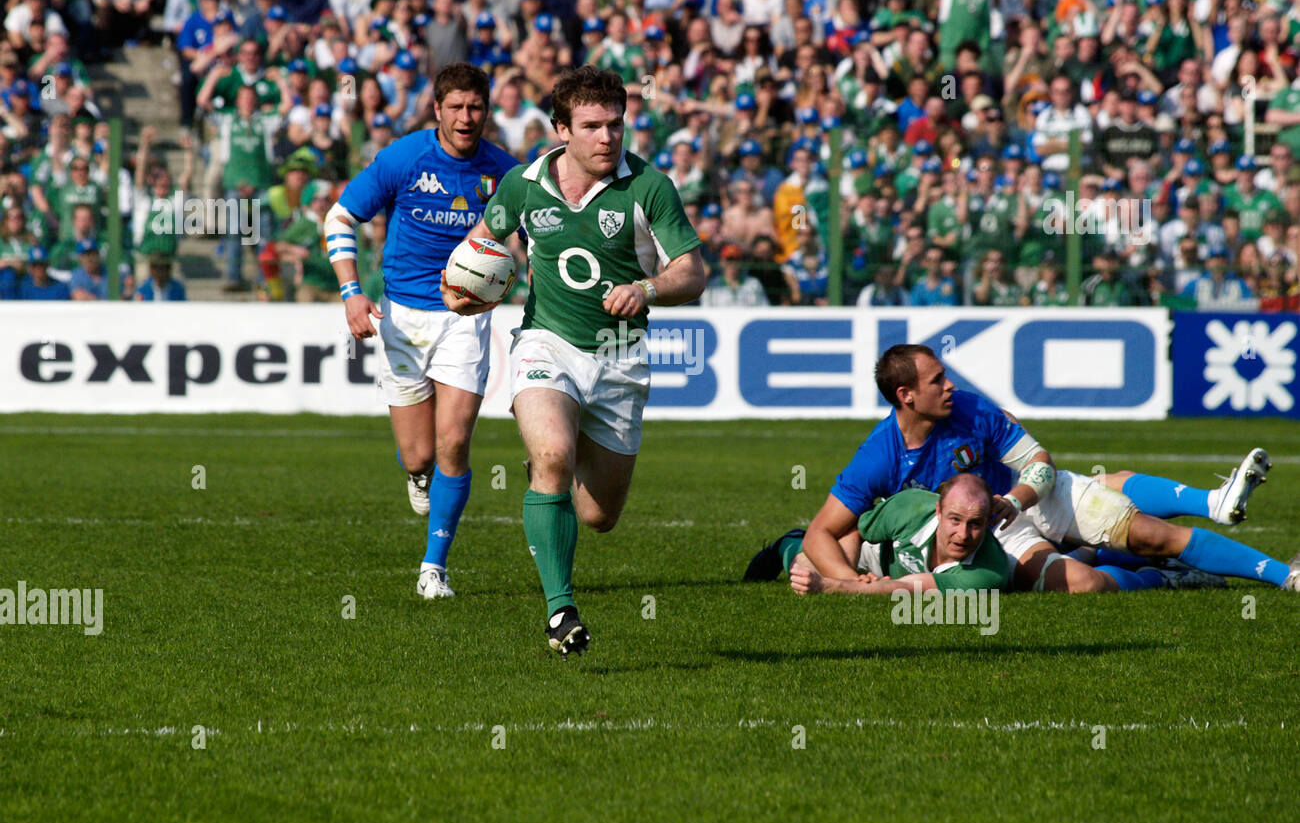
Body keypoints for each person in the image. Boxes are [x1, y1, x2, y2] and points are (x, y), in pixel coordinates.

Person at [456, 65, 707, 657]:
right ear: (561, 128)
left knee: (598, 516)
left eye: (615, 125)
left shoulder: (650, 187)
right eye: (592, 126)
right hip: (547, 343)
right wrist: (461, 289)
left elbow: (693, 272)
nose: (607, 138)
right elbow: (480, 247)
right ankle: (559, 612)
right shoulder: (523, 183)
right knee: (552, 457)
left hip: (621, 359)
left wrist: (646, 289)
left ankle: (552, 490)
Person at [746, 344, 1298, 594]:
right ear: (906, 395)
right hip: (988, 533)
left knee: (1154, 532)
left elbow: (1040, 461)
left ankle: (1284, 576)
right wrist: (852, 582)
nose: (950, 385)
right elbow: (824, 530)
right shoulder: (879, 455)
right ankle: (1171, 580)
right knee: (1081, 584)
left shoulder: (971, 408)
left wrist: (1017, 498)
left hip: (1021, 503)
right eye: (937, 380)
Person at [325, 62, 519, 600]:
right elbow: (338, 218)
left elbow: (541, 234)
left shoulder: (507, 172)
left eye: (475, 107)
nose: (466, 117)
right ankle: (416, 474)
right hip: (401, 320)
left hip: (466, 318)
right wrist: (351, 294)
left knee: (454, 442)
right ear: (437, 110)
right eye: (455, 107)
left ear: (487, 111)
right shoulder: (402, 158)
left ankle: (434, 567)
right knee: (420, 456)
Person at [789, 474, 1012, 597]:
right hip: (872, 552)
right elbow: (853, 527)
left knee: (817, 580)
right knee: (806, 566)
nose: (963, 535)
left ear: (988, 522)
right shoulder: (908, 507)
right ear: (939, 511)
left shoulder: (988, 574)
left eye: (975, 524)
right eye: (955, 520)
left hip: (892, 578)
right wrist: (846, 578)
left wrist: (830, 586)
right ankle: (786, 545)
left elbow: (905, 588)